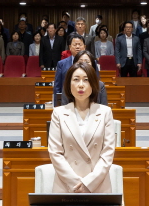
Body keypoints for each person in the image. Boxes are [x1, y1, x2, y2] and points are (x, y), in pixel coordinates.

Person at [47, 62, 116, 193]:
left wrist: (88, 183)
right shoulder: (58, 113)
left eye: (86, 80)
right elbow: (55, 153)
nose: (81, 85)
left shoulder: (105, 112)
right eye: (76, 80)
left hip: (97, 185)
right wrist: (76, 183)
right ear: (69, 84)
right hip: (67, 186)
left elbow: (108, 152)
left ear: (93, 85)